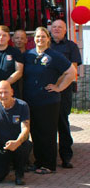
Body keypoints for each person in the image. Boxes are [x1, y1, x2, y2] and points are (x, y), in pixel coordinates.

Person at [23, 27, 76, 174]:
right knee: (35, 132)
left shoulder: (55, 56)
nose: (40, 39)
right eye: (37, 37)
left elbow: (71, 72)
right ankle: (38, 162)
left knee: (48, 133)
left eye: (42, 37)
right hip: (30, 101)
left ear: (48, 39)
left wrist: (59, 87)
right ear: (33, 39)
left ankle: (48, 165)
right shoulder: (28, 55)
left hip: (48, 101)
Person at [50, 19, 82, 168]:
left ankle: (66, 156)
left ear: (65, 30)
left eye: (60, 27)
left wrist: (58, 85)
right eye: (54, 27)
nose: (56, 29)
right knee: (47, 125)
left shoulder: (71, 46)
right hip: (47, 91)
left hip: (64, 90)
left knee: (62, 123)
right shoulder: (45, 44)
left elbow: (73, 69)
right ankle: (48, 157)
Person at [0, 81, 32, 185]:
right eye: (0, 92)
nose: (3, 95)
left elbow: (25, 128)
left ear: (12, 92)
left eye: (6, 92)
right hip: (1, 145)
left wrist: (17, 142)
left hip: (17, 143)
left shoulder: (22, 105)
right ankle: (5, 166)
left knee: (26, 145)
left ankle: (19, 173)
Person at [0, 26, 24, 99]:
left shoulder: (15, 52)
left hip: (11, 91)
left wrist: (4, 85)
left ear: (9, 38)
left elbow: (19, 72)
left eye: (4, 35)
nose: (1, 37)